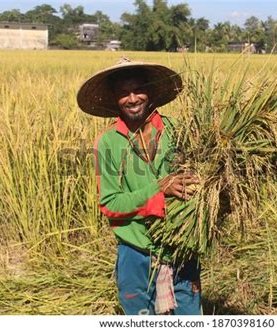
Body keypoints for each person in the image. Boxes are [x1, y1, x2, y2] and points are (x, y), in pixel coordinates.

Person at [77, 57, 201, 315]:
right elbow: (111, 204)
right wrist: (159, 188)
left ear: (151, 91)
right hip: (136, 253)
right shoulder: (108, 143)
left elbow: (196, 178)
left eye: (138, 90)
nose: (132, 98)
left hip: (181, 247)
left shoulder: (176, 131)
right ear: (114, 99)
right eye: (123, 93)